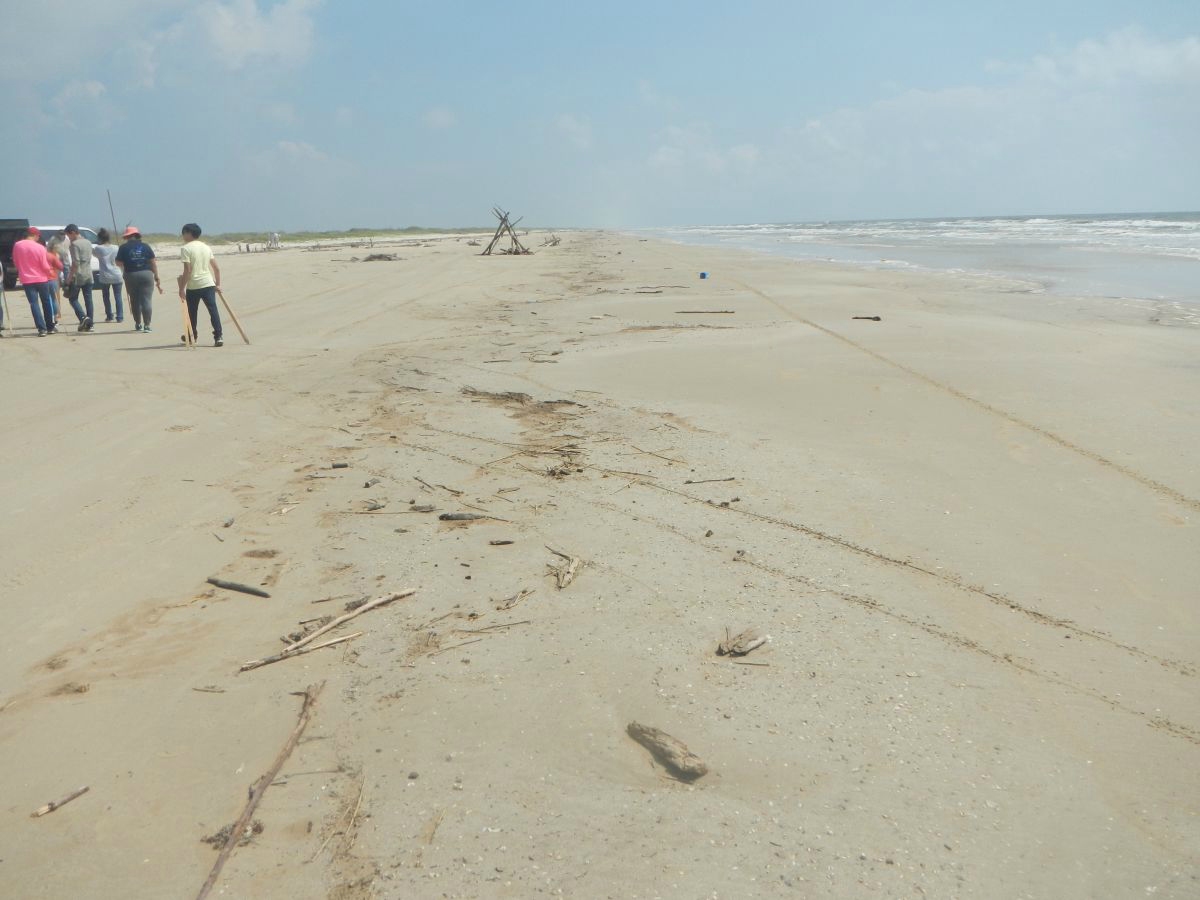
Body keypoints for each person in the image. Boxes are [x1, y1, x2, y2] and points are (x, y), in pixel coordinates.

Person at [177, 223, 222, 346]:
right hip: (208, 283)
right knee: (213, 310)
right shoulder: (206, 247)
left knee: (192, 312)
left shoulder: (186, 249)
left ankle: (193, 336)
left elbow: (188, 271)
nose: (183, 235)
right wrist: (218, 284)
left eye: (184, 233)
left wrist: (181, 288)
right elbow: (216, 268)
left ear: (188, 233)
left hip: (194, 285)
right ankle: (218, 336)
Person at [11, 227, 57, 335]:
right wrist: (50, 273)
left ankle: (41, 329)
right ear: (36, 235)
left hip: (27, 279)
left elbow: (15, 261)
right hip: (41, 279)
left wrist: (22, 270)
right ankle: (50, 327)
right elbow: (44, 265)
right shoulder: (40, 247)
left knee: (34, 304)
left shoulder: (17, 245)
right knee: (46, 302)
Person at [115, 226, 161, 331]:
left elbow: (118, 262)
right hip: (146, 274)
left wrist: (127, 263)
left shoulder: (123, 247)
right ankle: (147, 325)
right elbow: (153, 262)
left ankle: (138, 323)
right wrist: (157, 276)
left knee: (134, 300)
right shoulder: (146, 246)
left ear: (127, 237)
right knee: (146, 300)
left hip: (130, 275)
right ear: (137, 235)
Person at [64, 224, 94, 331]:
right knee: (88, 299)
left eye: (68, 235)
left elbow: (75, 263)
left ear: (72, 232)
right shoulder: (88, 242)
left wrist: (69, 278)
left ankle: (83, 317)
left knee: (72, 298)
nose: (69, 238)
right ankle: (90, 324)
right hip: (89, 274)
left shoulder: (74, 245)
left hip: (78, 275)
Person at [92, 228, 124, 322]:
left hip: (105, 275)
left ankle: (109, 315)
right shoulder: (116, 247)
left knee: (106, 296)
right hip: (117, 273)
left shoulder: (98, 248)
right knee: (118, 296)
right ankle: (120, 316)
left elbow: (94, 254)